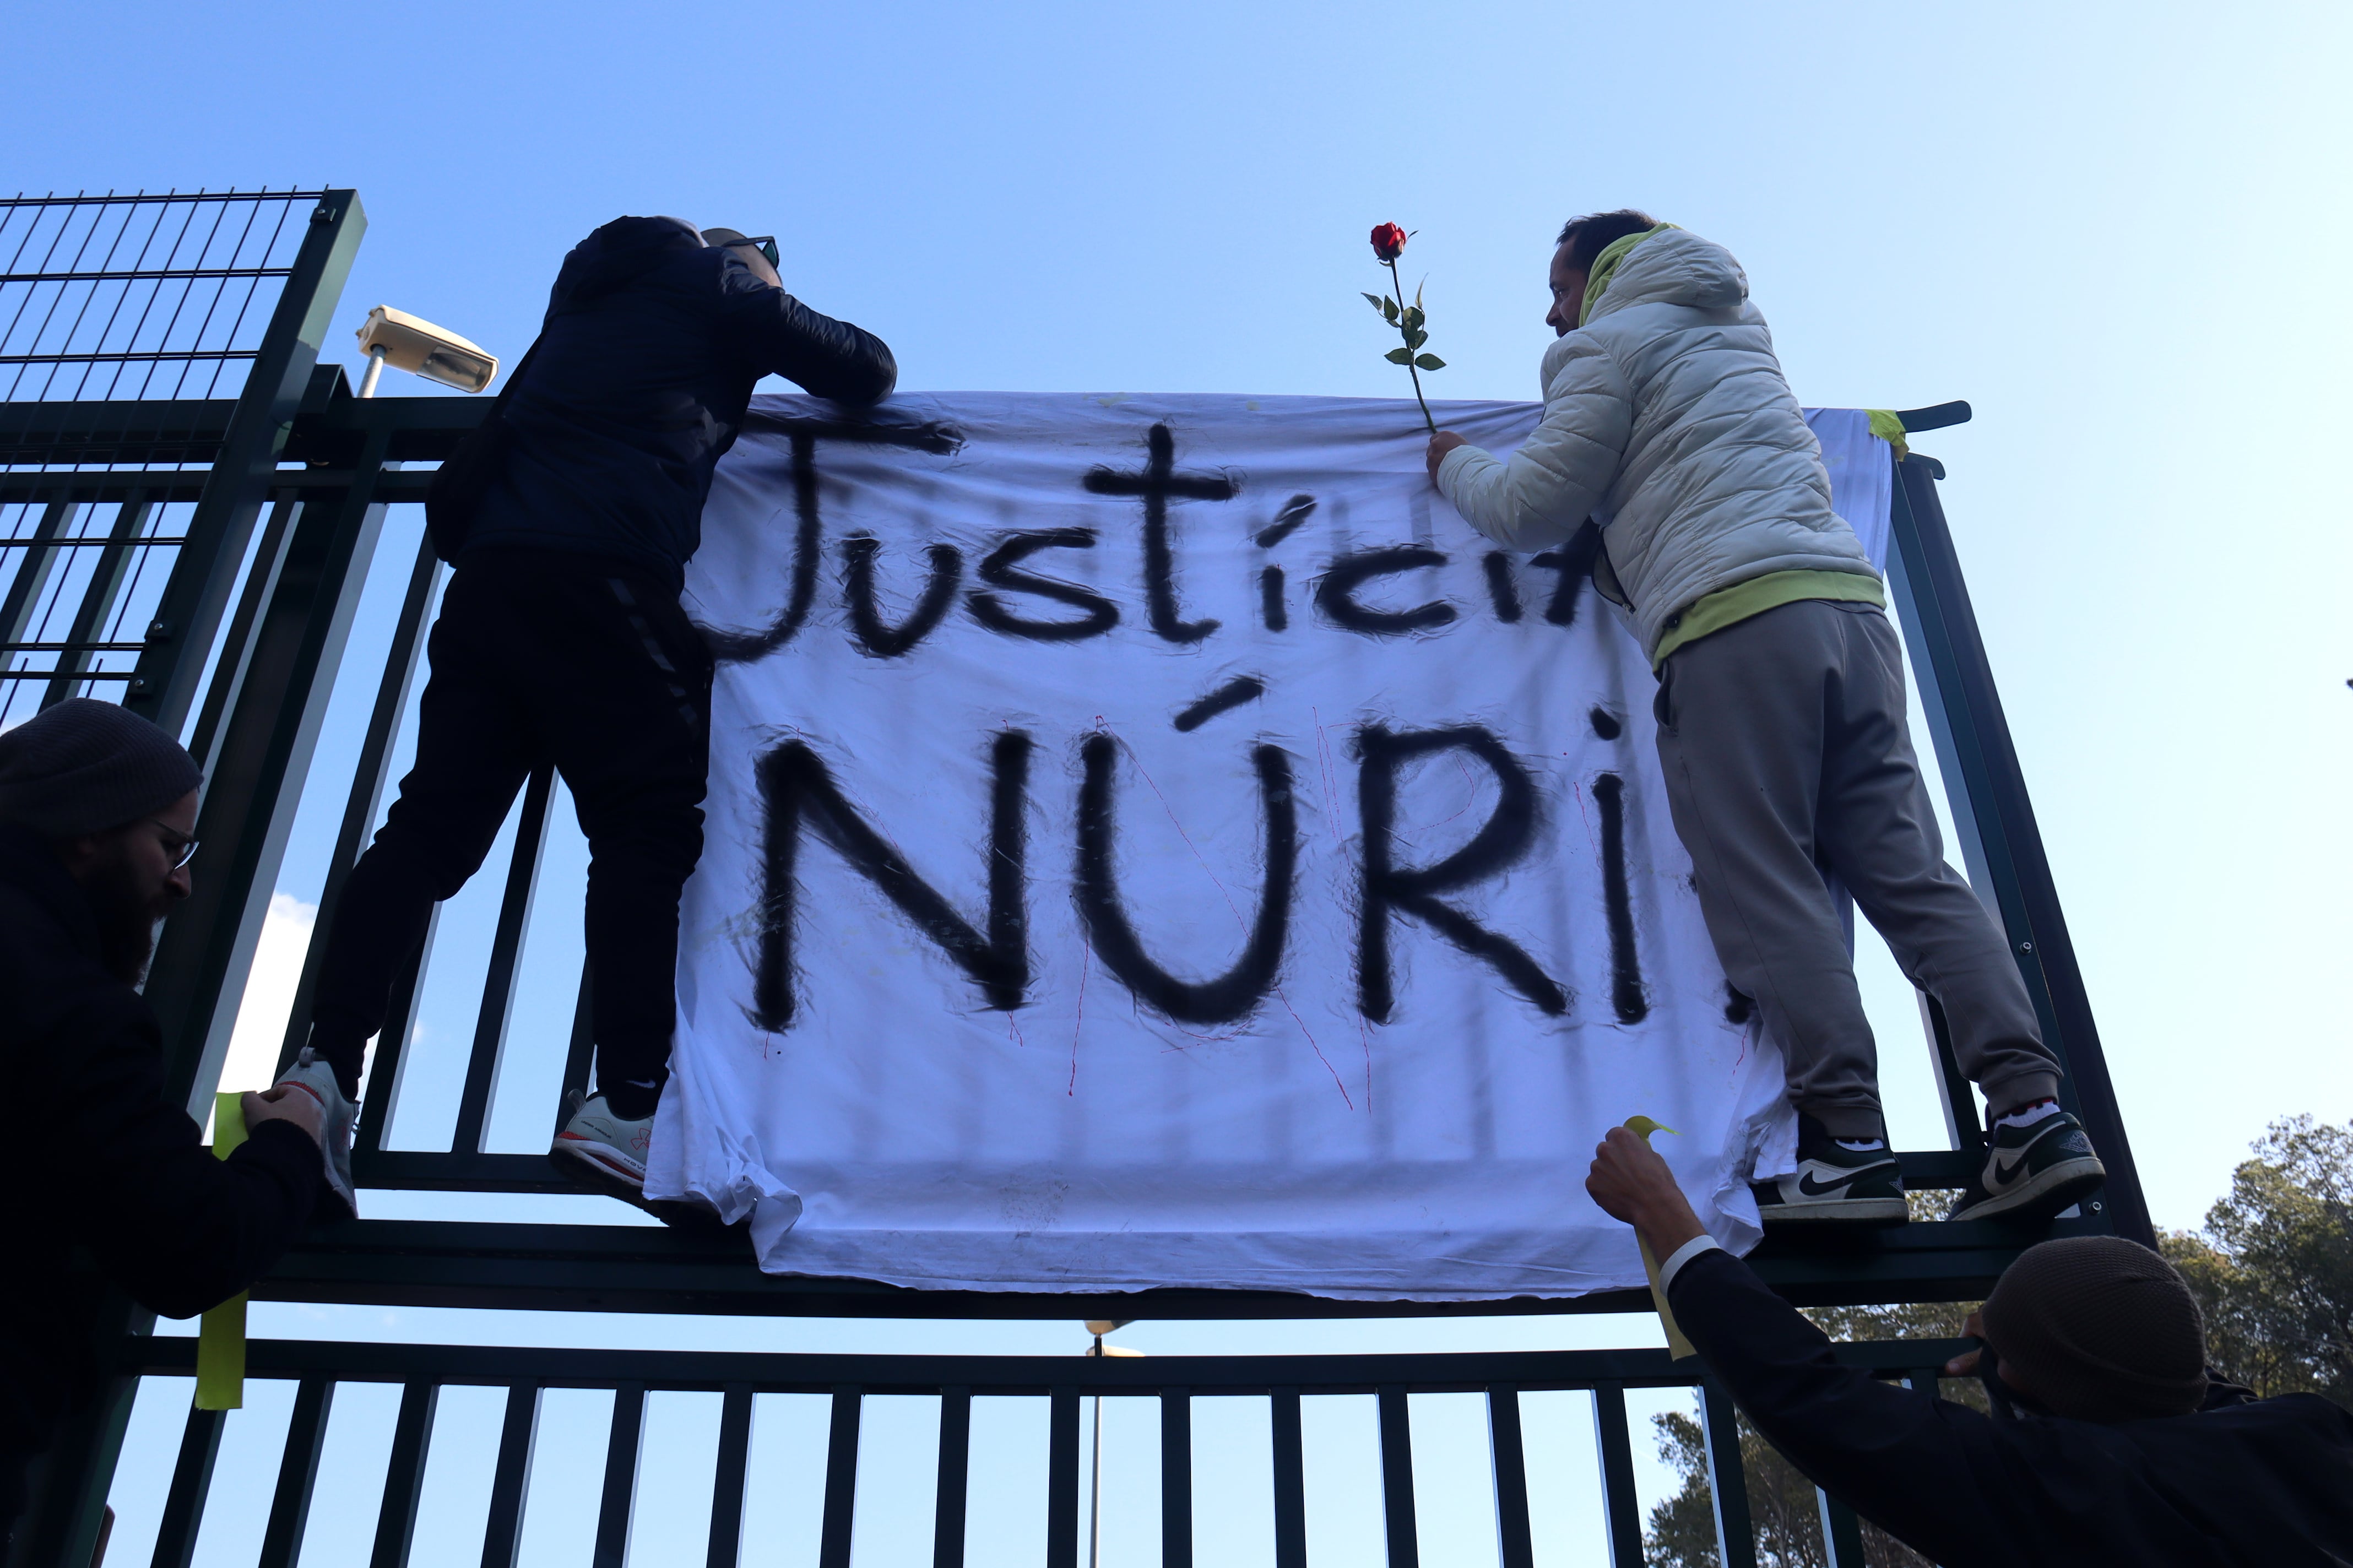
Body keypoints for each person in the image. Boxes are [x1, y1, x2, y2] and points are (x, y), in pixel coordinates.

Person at [1427, 210, 2101, 1224]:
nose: (1552, 313)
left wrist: (1450, 463)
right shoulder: (1738, 330)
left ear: (1599, 272)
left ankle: (1849, 1146)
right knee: (1912, 875)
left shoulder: (1603, 347)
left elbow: (1531, 506)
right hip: (1851, 616)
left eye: (1558, 289)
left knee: (1764, 879)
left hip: (1732, 629)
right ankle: (2033, 1116)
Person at [288, 218, 897, 1209]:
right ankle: (627, 1102)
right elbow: (865, 370)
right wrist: (752, 282)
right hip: (606, 578)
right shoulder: (718, 286)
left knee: (432, 828)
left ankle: (321, 1076)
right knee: (646, 827)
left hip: (492, 584)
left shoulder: (583, 308)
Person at [1585, 1126, 2353, 1564]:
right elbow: (2163, 1388)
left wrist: (1665, 1217)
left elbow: (1817, 1400)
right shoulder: (2308, 1432)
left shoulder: (2072, 1494)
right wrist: (2023, 1377)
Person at [0, 700, 330, 1539]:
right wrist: (292, 1142)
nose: (181, 879)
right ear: (88, 829)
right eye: (170, 845)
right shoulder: (67, 1007)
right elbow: (190, 1244)